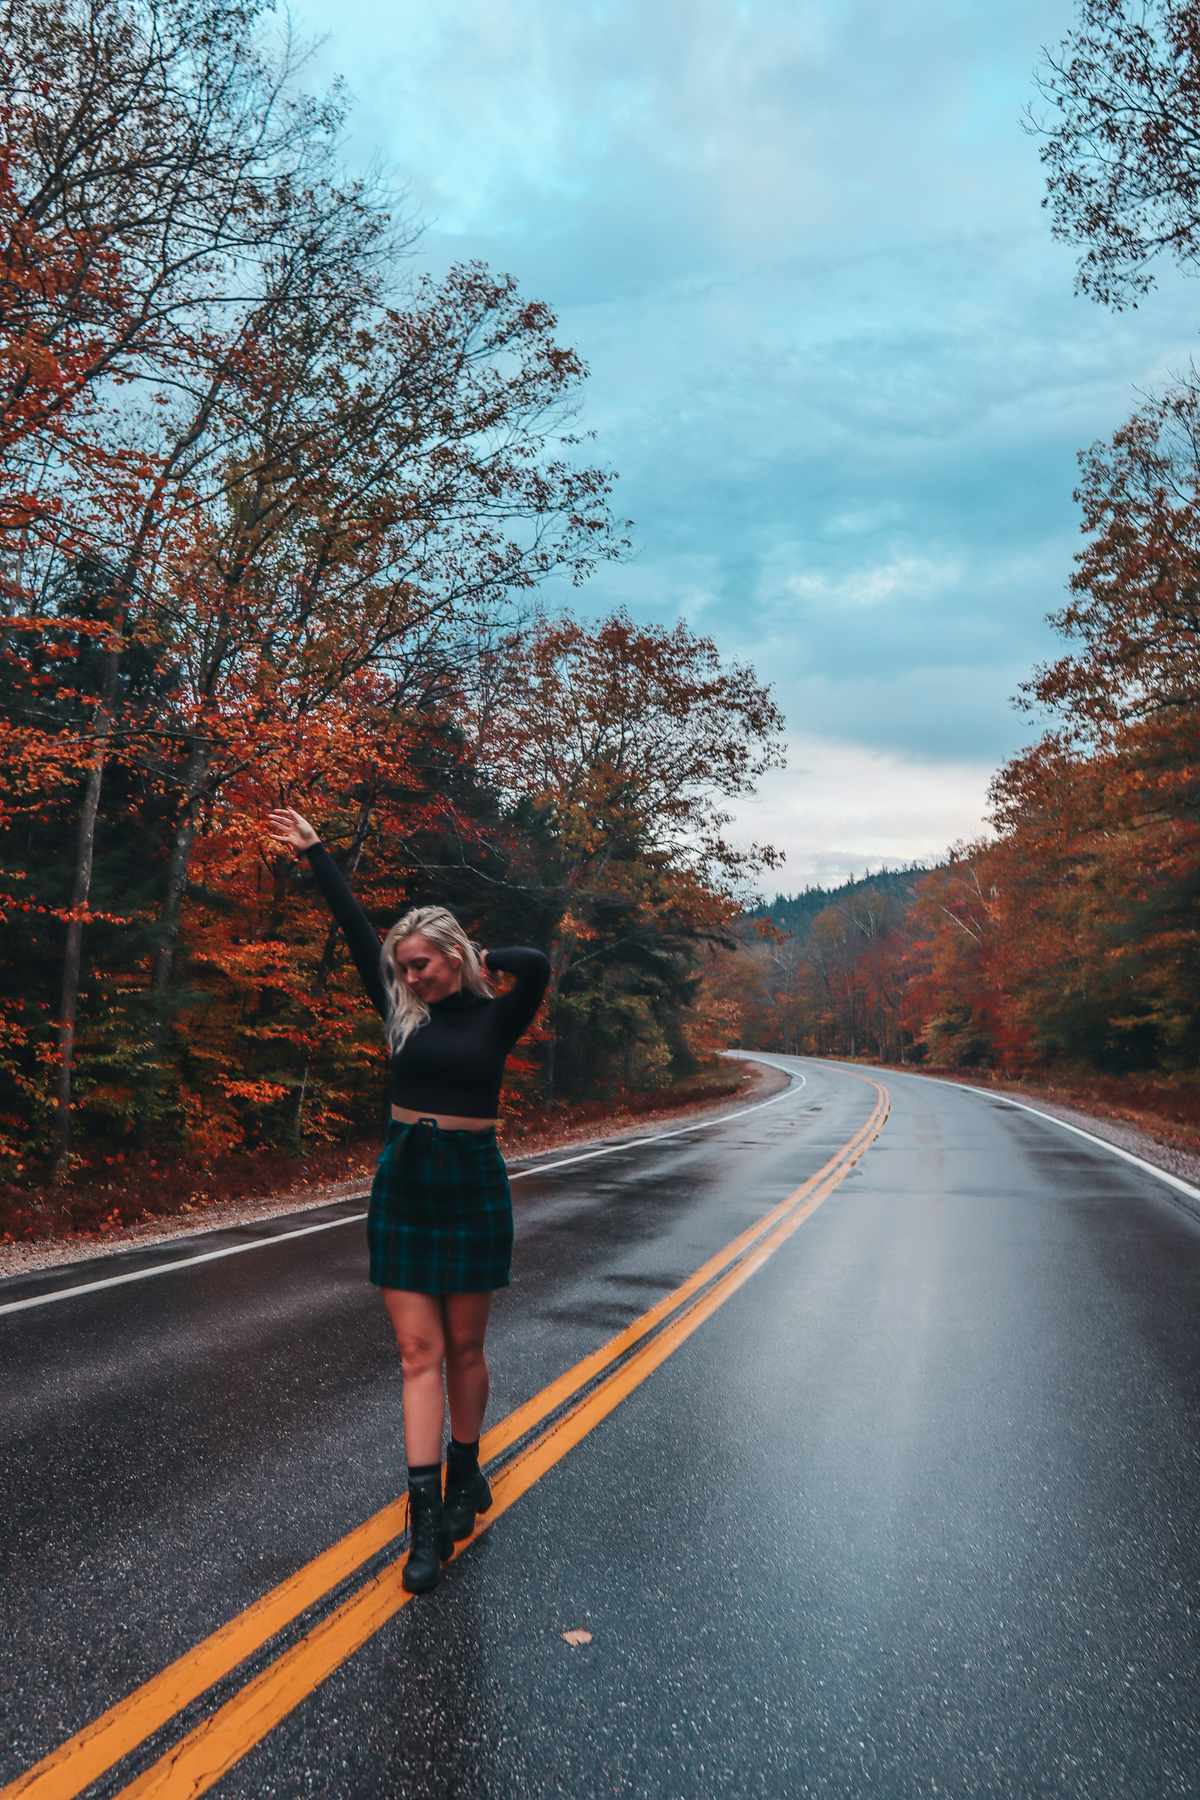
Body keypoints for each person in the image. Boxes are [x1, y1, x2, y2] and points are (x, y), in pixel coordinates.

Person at [266, 806, 550, 1594]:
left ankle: (468, 1472)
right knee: (416, 1354)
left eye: (422, 965)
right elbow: (355, 927)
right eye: (403, 968)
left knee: (463, 1350)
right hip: (404, 1182)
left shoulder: (498, 1018)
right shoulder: (399, 1016)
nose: (409, 977)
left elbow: (539, 965)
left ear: (454, 957)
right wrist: (319, 854)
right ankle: (423, 1523)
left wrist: (485, 952)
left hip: (471, 1184)